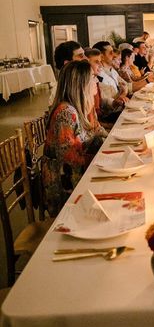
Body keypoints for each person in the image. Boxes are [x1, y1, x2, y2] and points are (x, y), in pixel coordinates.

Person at [42, 61, 105, 217]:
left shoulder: (83, 105)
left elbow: (97, 131)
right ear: (80, 83)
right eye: (93, 77)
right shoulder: (66, 113)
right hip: (65, 187)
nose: (96, 81)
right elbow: (70, 162)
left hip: (80, 174)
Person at [49, 40, 86, 106]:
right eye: (81, 56)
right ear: (67, 64)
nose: (86, 59)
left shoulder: (83, 81)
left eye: (84, 55)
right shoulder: (60, 93)